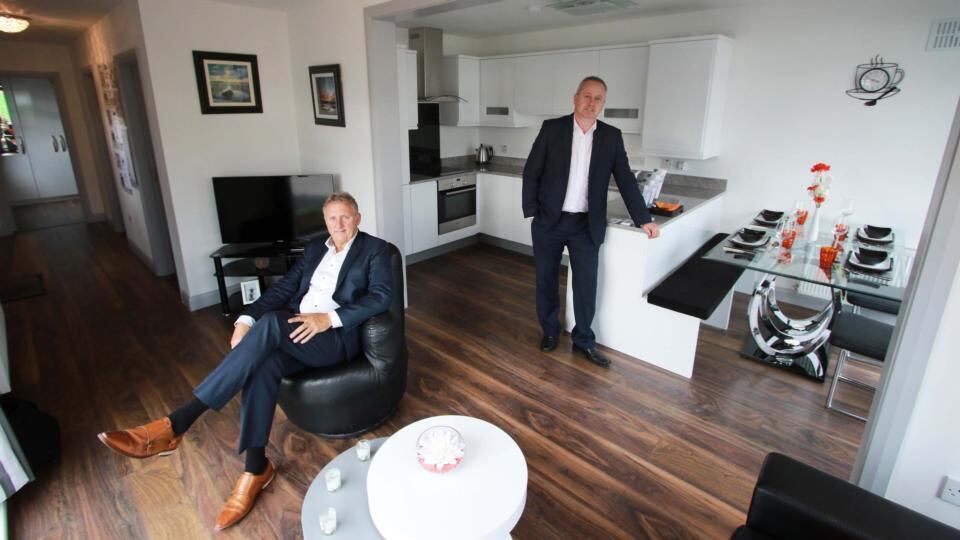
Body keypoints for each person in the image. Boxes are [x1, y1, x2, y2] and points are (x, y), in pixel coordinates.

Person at [97, 192, 392, 530]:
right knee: (263, 364)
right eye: (332, 218)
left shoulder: (375, 250)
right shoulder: (314, 248)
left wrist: (329, 318)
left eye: (345, 217)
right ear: (324, 221)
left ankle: (177, 423)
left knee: (270, 327)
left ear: (358, 217)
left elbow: (382, 297)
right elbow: (282, 291)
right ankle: (255, 468)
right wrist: (245, 319)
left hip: (334, 338)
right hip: (297, 331)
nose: (338, 224)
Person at [522, 76, 660, 368]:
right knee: (546, 280)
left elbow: (625, 179)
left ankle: (584, 340)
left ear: (603, 104)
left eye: (598, 98)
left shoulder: (611, 136)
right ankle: (549, 332)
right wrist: (532, 210)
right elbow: (532, 170)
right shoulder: (553, 129)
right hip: (549, 221)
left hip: (586, 225)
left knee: (586, 285)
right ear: (575, 98)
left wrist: (643, 219)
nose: (591, 103)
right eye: (587, 96)